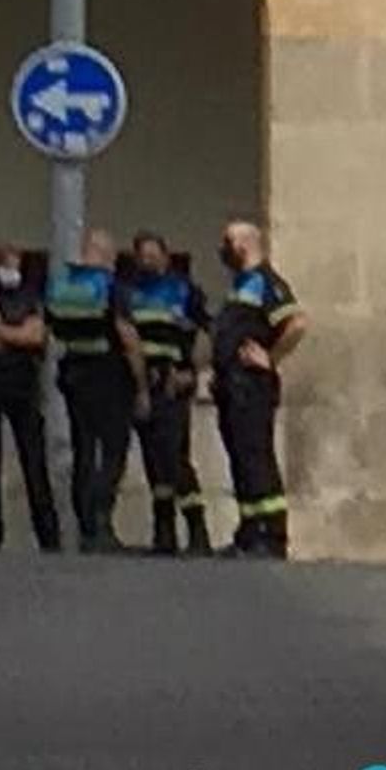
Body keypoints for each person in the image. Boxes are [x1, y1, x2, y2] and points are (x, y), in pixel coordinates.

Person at [45, 228, 152, 554]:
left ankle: (87, 526)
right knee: (114, 451)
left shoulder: (60, 287)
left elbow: (50, 330)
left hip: (73, 377)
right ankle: (101, 520)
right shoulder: (111, 289)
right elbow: (128, 338)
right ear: (108, 256)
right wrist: (142, 386)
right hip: (109, 377)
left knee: (83, 452)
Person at [211, 219, 310, 559]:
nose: (224, 247)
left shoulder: (267, 282)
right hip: (229, 386)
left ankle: (272, 535)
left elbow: (297, 323)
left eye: (229, 240)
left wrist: (271, 357)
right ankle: (249, 532)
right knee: (240, 459)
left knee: (257, 458)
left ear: (246, 244)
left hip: (252, 387)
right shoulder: (240, 285)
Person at [0, 247, 61, 552]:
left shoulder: (29, 297)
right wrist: (9, 334)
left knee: (34, 461)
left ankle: (48, 533)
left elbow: (35, 336)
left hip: (24, 387)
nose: (12, 268)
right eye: (7, 263)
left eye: (15, 263)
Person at [127, 232, 212, 556]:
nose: (148, 261)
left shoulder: (184, 290)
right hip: (144, 385)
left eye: (153, 254)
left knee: (175, 458)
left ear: (165, 256)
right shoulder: (131, 292)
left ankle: (197, 530)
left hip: (173, 383)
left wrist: (193, 372)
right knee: (153, 460)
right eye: (142, 255)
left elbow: (206, 333)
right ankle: (164, 534)